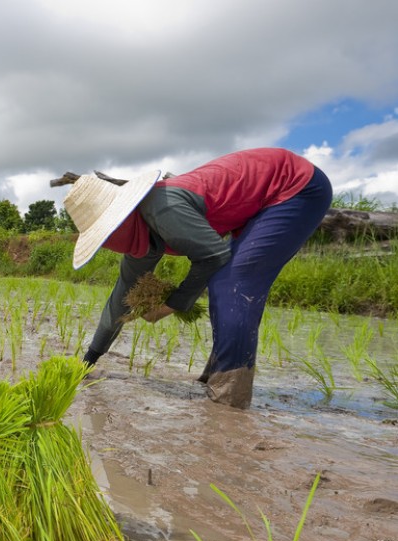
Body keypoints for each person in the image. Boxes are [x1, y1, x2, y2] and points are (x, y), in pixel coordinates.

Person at [62, 147, 332, 409]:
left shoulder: (162, 208)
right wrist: (89, 361)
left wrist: (171, 305)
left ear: (121, 219)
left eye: (107, 235)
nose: (109, 243)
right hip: (258, 203)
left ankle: (229, 400)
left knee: (231, 282)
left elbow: (214, 256)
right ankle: (216, 377)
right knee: (228, 283)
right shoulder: (140, 244)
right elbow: (119, 302)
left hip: (295, 187)